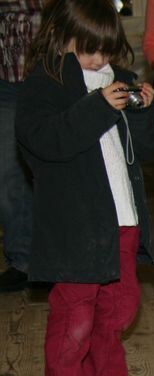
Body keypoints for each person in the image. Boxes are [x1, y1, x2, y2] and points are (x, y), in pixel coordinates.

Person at [15, 0, 154, 376]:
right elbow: (45, 142)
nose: (99, 59)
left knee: (118, 309)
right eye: (88, 49)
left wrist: (142, 109)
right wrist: (99, 106)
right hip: (75, 224)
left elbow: (150, 150)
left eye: (106, 49)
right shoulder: (45, 82)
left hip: (121, 218)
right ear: (61, 36)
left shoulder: (117, 79)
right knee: (74, 318)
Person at [0, 0, 42, 293]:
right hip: (5, 80)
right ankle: (22, 260)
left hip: (49, 74)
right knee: (8, 172)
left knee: (57, 169)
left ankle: (61, 258)